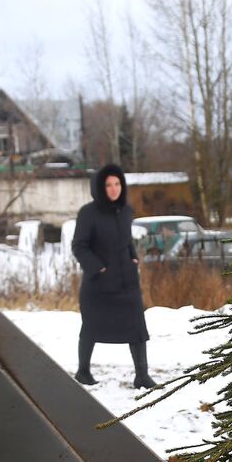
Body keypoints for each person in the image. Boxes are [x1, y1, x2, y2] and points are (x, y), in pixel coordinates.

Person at [71, 164, 156, 389]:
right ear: (99, 187)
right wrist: (98, 268)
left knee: (137, 326)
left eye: (117, 183)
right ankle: (83, 372)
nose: (113, 189)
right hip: (98, 285)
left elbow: (126, 240)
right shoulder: (88, 213)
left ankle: (142, 376)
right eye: (108, 184)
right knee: (90, 327)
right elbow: (79, 246)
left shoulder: (125, 211)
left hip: (126, 281)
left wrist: (133, 256)